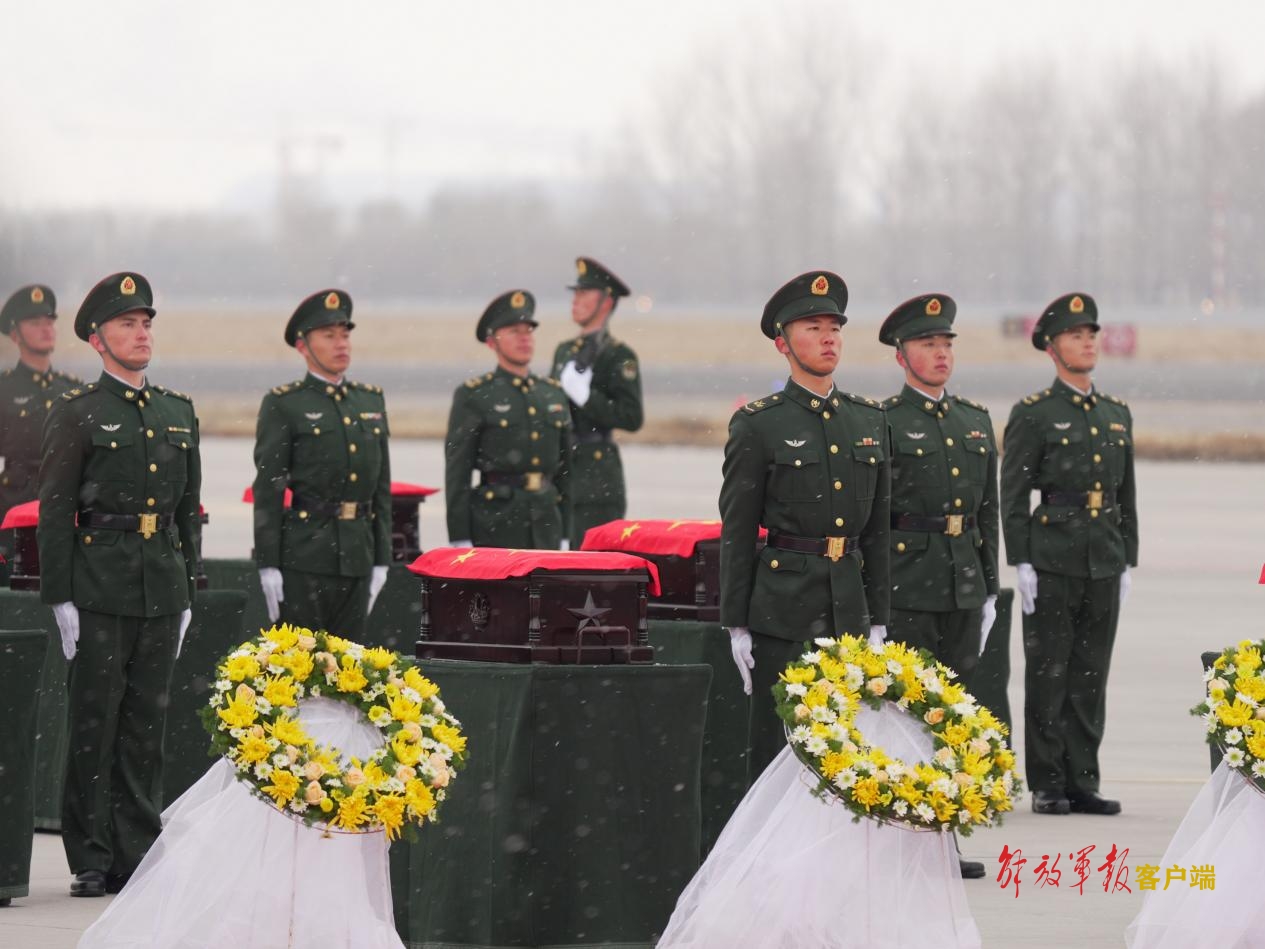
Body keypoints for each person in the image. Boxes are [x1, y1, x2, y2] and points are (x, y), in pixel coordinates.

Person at [38, 271, 200, 898]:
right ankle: (90, 855)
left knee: (144, 728)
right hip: (99, 587)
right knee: (93, 723)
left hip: (161, 586)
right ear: (98, 339)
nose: (142, 333)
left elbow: (187, 512)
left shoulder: (176, 411)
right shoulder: (78, 413)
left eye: (146, 323)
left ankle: (136, 849)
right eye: (128, 324)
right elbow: (55, 512)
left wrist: (187, 588)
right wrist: (60, 595)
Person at [719, 270, 890, 782]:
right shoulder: (759, 424)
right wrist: (737, 623)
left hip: (848, 606)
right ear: (783, 343)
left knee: (844, 748)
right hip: (784, 607)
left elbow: (878, 530)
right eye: (813, 328)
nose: (828, 338)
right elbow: (737, 529)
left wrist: (878, 616)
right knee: (777, 747)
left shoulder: (868, 419)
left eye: (834, 327)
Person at [1000, 292, 1137, 816]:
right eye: (1076, 335)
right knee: (1049, 672)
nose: (1088, 342)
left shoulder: (1115, 413)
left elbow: (1126, 494)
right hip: (1053, 556)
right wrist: (1022, 560)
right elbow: (1014, 494)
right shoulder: (1035, 414)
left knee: (1090, 675)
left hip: (1104, 555)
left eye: (1091, 334)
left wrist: (1128, 557)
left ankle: (1084, 780)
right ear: (1052, 347)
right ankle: (1048, 781)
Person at [878, 293, 1000, 879]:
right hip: (908, 587)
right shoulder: (883, 422)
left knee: (955, 717)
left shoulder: (974, 420)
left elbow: (987, 513)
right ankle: (901, 838)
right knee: (905, 715)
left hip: (962, 585)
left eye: (947, 343)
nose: (941, 353)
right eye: (928, 344)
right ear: (901, 356)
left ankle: (942, 838)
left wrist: (991, 586)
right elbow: (875, 518)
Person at [253, 289, 391, 640]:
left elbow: (381, 487)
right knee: (302, 663)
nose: (341, 344)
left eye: (345, 335)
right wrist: (268, 563)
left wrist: (381, 558)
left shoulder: (369, 400)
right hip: (305, 556)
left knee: (351, 664)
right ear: (303, 346)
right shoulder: (285, 404)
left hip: (358, 555)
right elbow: (268, 489)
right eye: (329, 336)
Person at [445, 290, 571, 548]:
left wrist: (567, 532)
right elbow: (458, 473)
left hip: (547, 523)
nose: (524, 339)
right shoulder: (475, 395)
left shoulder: (551, 393)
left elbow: (566, 470)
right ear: (492, 342)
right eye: (514, 331)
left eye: (528, 331)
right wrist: (460, 538)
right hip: (496, 524)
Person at [550, 257, 642, 548]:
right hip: (561, 469)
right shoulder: (564, 351)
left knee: (592, 559)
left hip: (596, 477)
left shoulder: (618, 355)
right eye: (575, 293)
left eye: (583, 293)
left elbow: (631, 416)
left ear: (606, 301)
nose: (575, 300)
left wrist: (587, 397)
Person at [0, 285, 81, 574]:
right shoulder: (4, 389)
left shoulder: (72, 389)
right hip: (14, 505)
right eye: (35, 323)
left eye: (49, 322)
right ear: (15, 335)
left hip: (66, 504)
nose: (46, 329)